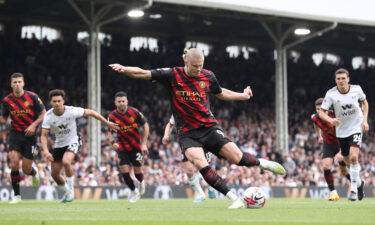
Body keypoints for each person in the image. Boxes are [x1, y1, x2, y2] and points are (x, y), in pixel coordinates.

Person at [109, 48, 286, 209]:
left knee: (238, 158)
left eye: (201, 66)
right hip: (187, 133)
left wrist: (243, 96)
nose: (198, 69)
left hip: (209, 127)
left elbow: (220, 92)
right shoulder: (172, 75)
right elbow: (143, 73)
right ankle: (234, 198)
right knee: (200, 163)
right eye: (195, 66)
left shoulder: (208, 76)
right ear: (186, 61)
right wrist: (124, 69)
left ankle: (263, 163)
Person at [40, 89, 118, 203]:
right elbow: (43, 135)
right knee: (55, 174)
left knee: (66, 161)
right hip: (59, 144)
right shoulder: (48, 116)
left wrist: (107, 123)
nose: (57, 103)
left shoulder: (71, 111)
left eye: (59, 101)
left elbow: (92, 112)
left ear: (63, 101)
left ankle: (71, 191)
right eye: (54, 101)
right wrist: (46, 151)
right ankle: (67, 194)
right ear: (51, 102)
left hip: (73, 140)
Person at [319, 68, 369, 201]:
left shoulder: (357, 89)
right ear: (335, 80)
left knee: (353, 157)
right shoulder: (331, 94)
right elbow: (321, 112)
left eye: (343, 78)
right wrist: (331, 120)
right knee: (347, 161)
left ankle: (352, 189)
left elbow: (364, 103)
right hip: (341, 131)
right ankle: (359, 183)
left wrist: (364, 120)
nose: (341, 81)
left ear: (348, 79)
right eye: (338, 79)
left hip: (356, 127)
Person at [0, 72, 46, 204]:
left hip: (30, 135)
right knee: (14, 163)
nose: (17, 84)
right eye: (14, 82)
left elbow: (43, 113)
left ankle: (34, 172)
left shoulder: (32, 97)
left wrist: (34, 125)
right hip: (15, 134)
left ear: (23, 83)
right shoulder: (7, 100)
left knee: (26, 169)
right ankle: (17, 196)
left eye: (19, 82)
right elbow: (3, 118)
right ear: (11, 84)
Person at [162, 115, 216, 203]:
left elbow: (212, 123)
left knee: (204, 167)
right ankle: (200, 194)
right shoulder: (177, 108)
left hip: (202, 140)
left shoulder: (200, 105)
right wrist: (166, 135)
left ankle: (211, 186)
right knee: (188, 169)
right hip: (186, 141)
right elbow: (171, 124)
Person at [107, 91, 149, 203]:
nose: (121, 103)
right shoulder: (112, 116)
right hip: (122, 148)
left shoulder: (135, 112)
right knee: (124, 173)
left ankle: (141, 182)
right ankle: (134, 191)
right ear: (115, 103)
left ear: (127, 101)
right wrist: (112, 142)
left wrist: (144, 143)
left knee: (138, 173)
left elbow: (145, 126)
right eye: (119, 101)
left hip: (136, 147)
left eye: (123, 101)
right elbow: (110, 132)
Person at [312, 98, 351, 201]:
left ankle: (354, 182)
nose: (319, 111)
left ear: (327, 108)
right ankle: (333, 193)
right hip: (328, 143)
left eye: (321, 109)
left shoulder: (336, 115)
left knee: (342, 168)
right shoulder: (315, 118)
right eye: (317, 109)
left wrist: (342, 150)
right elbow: (316, 124)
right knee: (325, 166)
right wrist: (319, 136)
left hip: (341, 142)